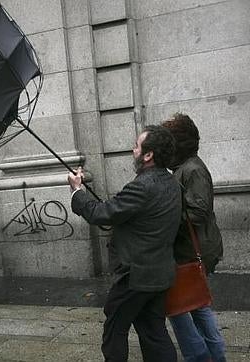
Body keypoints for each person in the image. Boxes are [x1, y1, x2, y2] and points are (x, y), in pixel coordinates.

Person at [68, 125, 181, 362]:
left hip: (136, 275)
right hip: (159, 273)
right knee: (153, 331)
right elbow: (132, 216)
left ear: (148, 155)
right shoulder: (170, 181)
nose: (133, 150)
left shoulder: (142, 186)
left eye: (137, 146)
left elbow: (101, 214)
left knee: (115, 327)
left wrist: (77, 191)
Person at [162, 113, 226, 362]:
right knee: (195, 305)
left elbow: (197, 212)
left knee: (191, 306)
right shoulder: (183, 168)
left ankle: (207, 356)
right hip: (191, 248)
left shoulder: (193, 170)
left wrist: (164, 215)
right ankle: (211, 355)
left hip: (194, 249)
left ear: (178, 144)